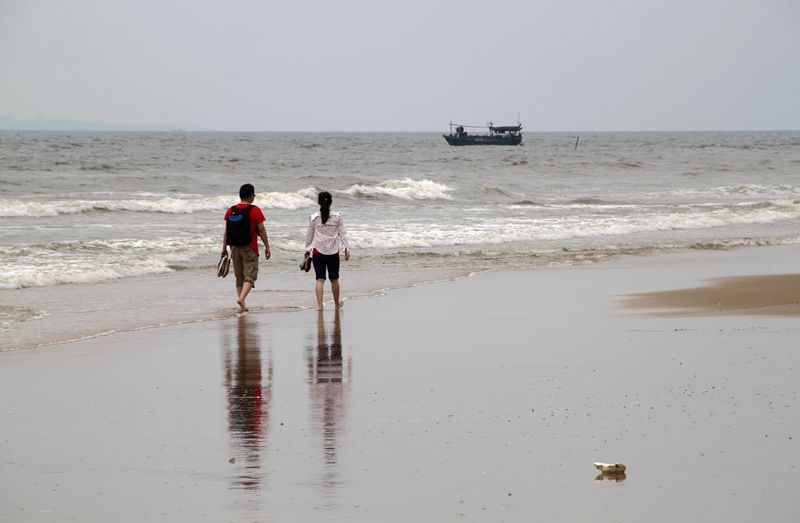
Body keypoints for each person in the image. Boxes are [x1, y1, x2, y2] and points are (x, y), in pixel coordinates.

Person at [222, 183, 270, 313]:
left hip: (234, 248)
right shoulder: (255, 210)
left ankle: (241, 305)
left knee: (239, 277)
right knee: (250, 276)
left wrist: (224, 248)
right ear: (251, 196)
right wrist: (267, 246)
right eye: (254, 194)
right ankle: (242, 299)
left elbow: (227, 231)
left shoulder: (230, 210)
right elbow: (261, 229)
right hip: (250, 247)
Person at [304, 191, 350, 310]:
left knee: (320, 279)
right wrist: (346, 248)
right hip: (333, 252)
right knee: (334, 279)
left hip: (318, 252)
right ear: (331, 202)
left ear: (318, 202)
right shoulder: (337, 217)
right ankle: (336, 304)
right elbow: (343, 234)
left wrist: (307, 249)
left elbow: (309, 235)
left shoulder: (314, 217)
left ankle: (319, 306)